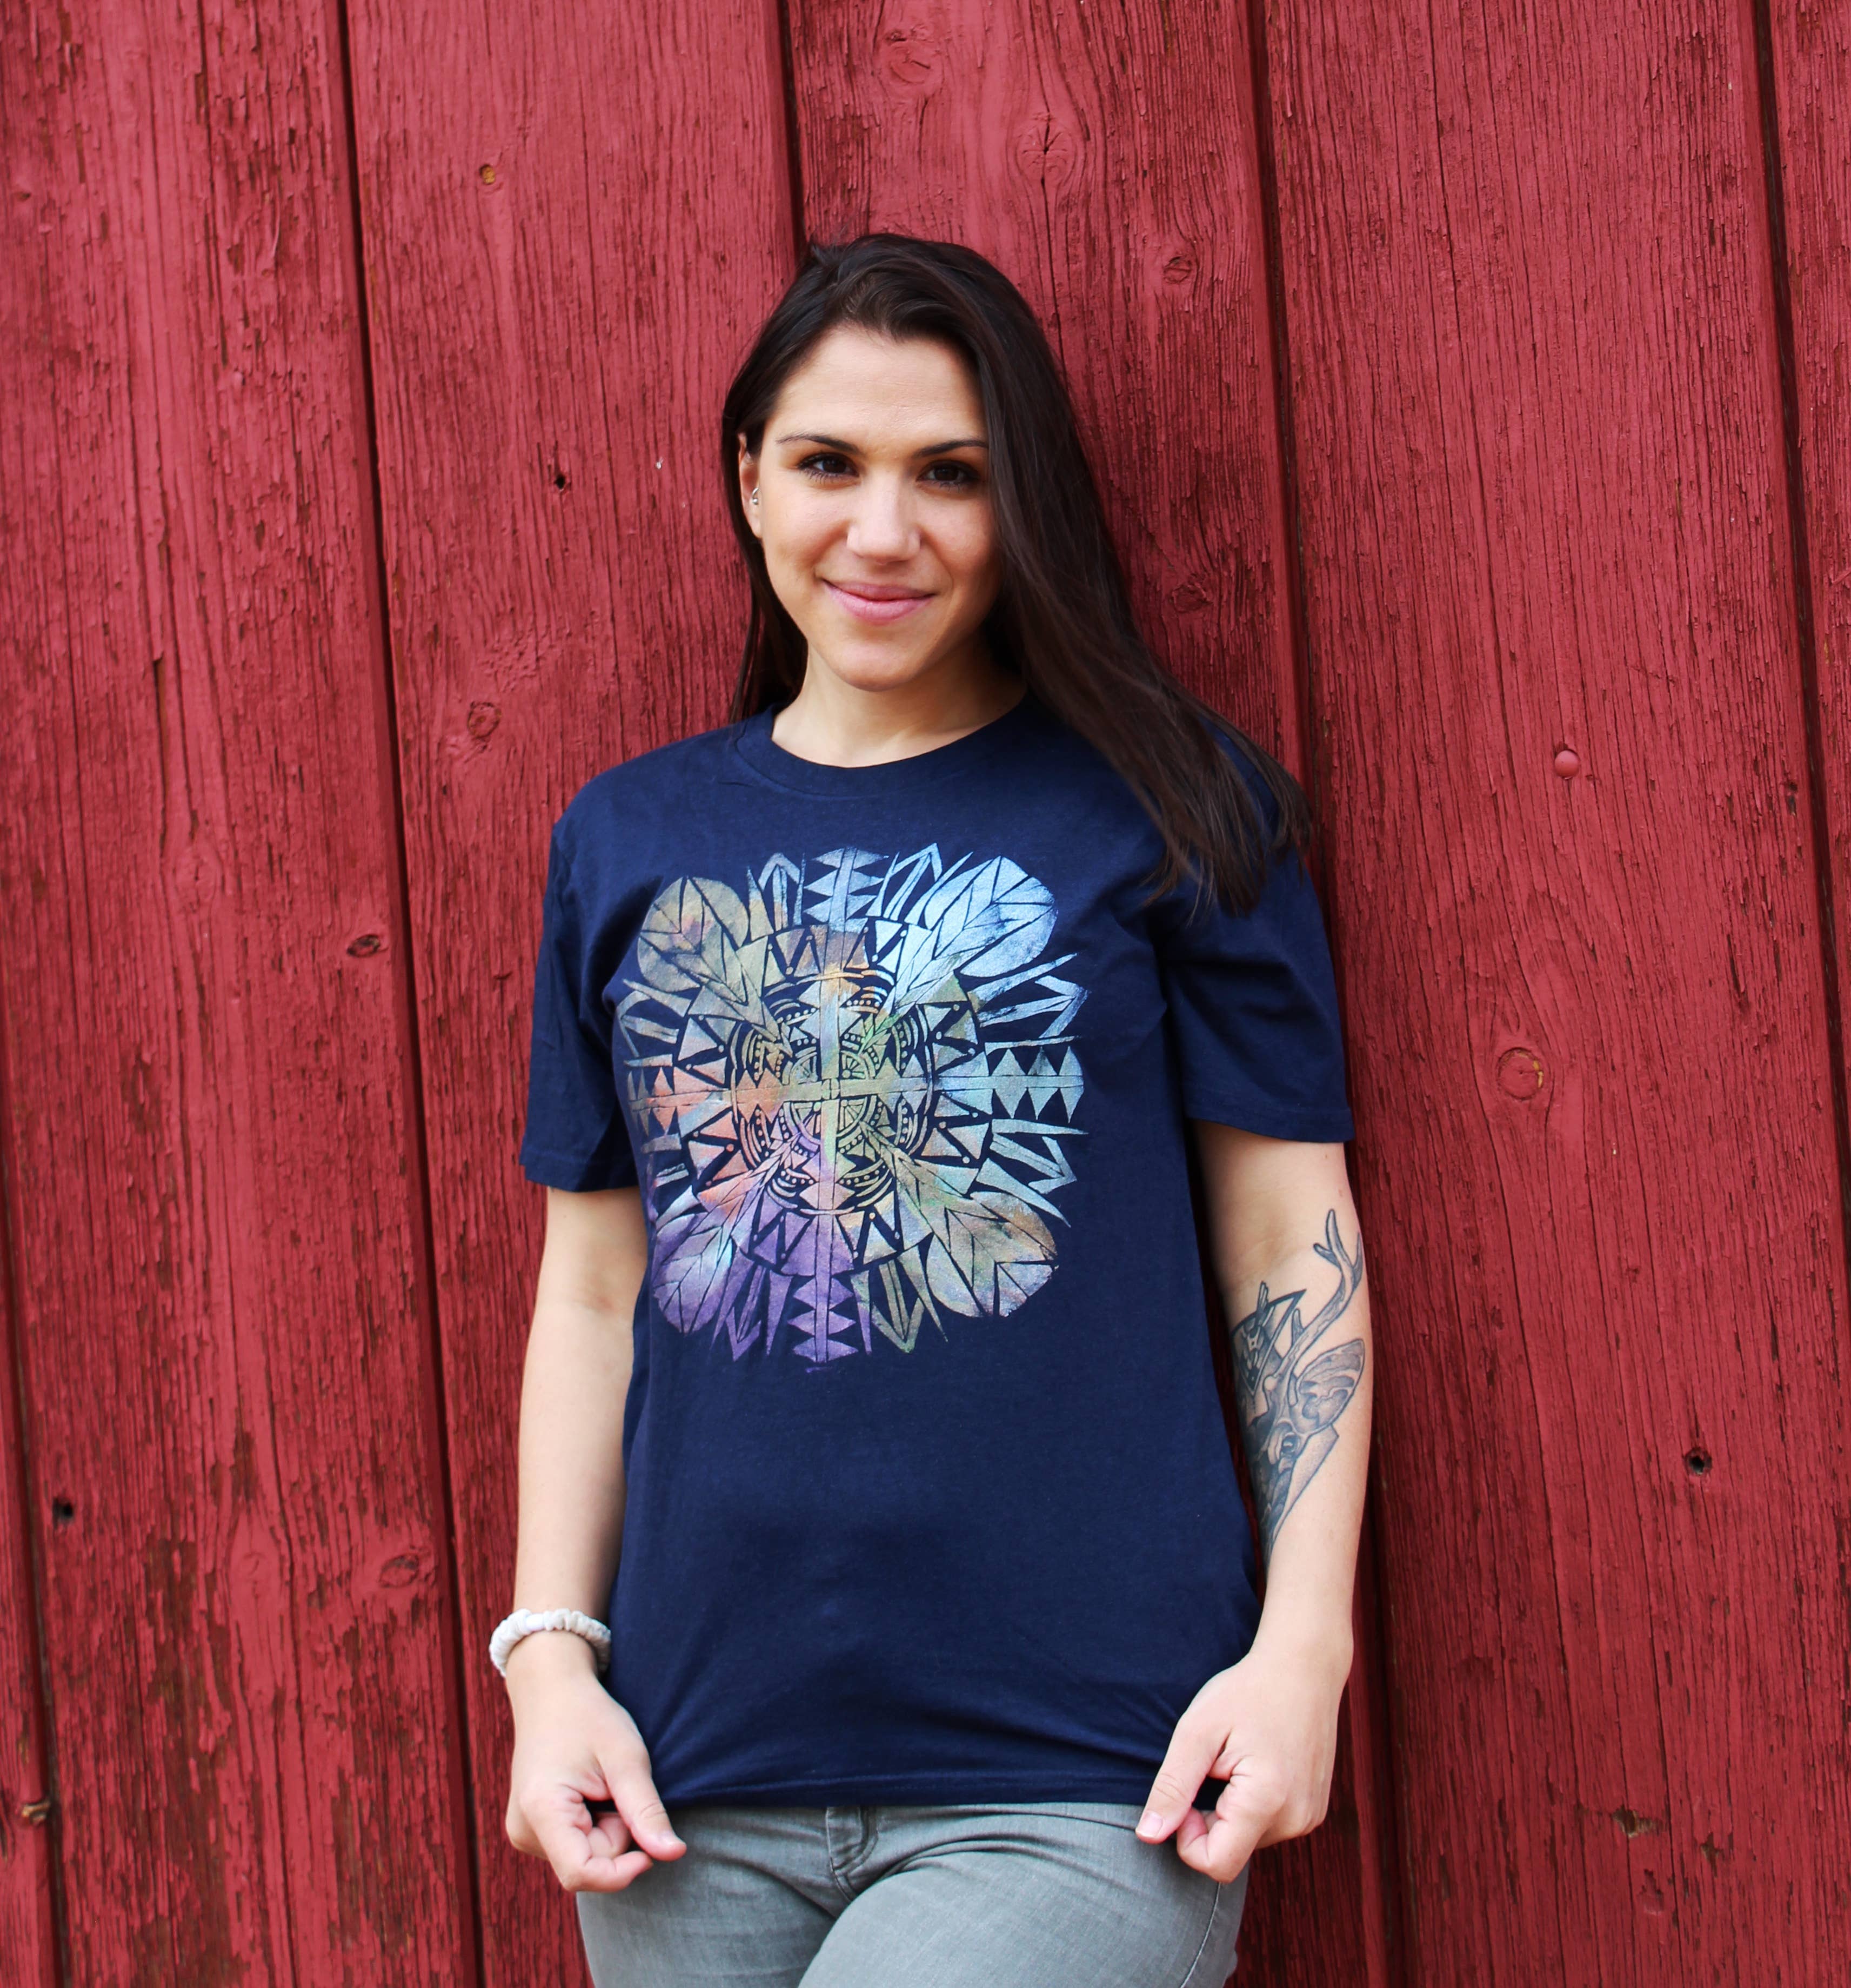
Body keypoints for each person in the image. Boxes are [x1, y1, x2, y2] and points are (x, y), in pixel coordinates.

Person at [496, 233, 1372, 1988]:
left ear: (1019, 499)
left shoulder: (1168, 810)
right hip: (686, 1781)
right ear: (749, 478)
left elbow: (1291, 1248)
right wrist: (550, 1665)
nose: (881, 532)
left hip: (1081, 1773)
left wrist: (1302, 1652)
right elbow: (595, 1290)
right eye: (829, 463)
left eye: (951, 475)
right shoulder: (626, 841)